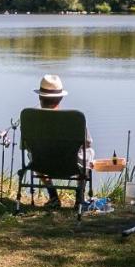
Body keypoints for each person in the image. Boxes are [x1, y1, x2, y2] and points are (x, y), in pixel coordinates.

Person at [34, 74, 94, 208]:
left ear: (39, 96)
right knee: (89, 152)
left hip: (41, 164)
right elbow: (87, 143)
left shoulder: (31, 118)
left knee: (32, 154)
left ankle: (53, 196)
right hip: (71, 165)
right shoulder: (74, 119)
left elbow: (25, 145)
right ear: (60, 98)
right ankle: (79, 198)